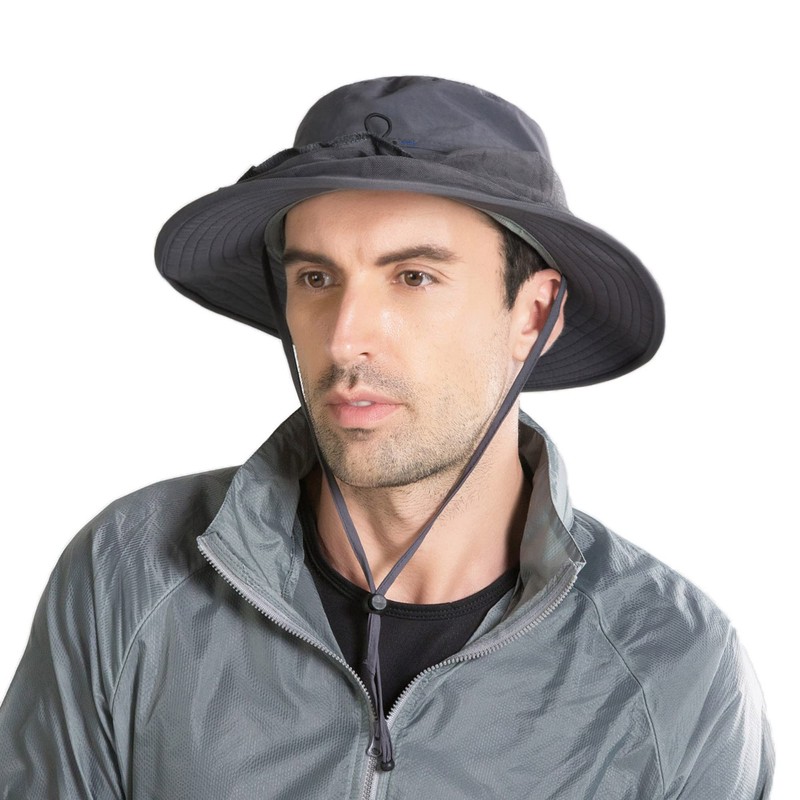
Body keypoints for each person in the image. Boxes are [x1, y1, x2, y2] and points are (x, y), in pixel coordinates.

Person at [0, 76, 774, 798]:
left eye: (413, 277)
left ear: (534, 314)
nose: (345, 338)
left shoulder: (673, 665)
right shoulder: (131, 578)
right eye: (316, 278)